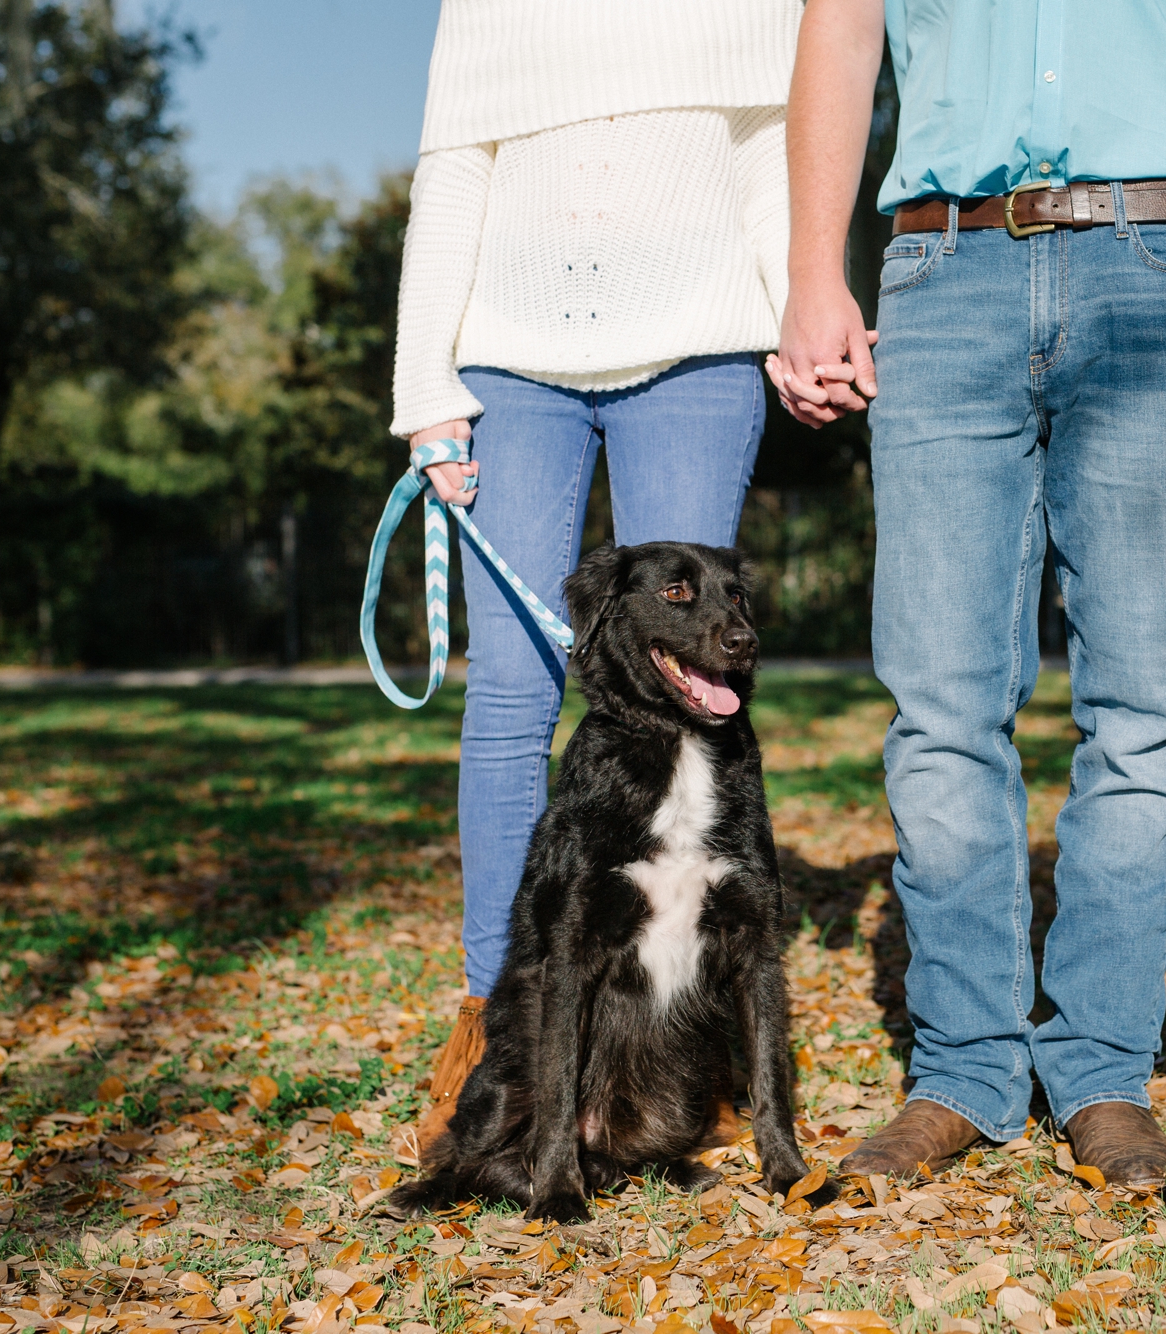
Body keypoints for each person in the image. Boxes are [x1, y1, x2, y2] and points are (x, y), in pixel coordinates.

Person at [769, 0, 1166, 1183]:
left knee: (1141, 706)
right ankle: (961, 1069)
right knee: (939, 707)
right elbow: (838, 34)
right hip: (943, 276)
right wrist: (809, 274)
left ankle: (1099, 1067)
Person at [392, 0, 803, 1154]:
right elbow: (452, 175)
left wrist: (793, 312)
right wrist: (424, 384)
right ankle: (497, 1022)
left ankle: (684, 1040)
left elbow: (772, 149)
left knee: (696, 680)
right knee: (513, 694)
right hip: (509, 360)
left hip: (701, 348)